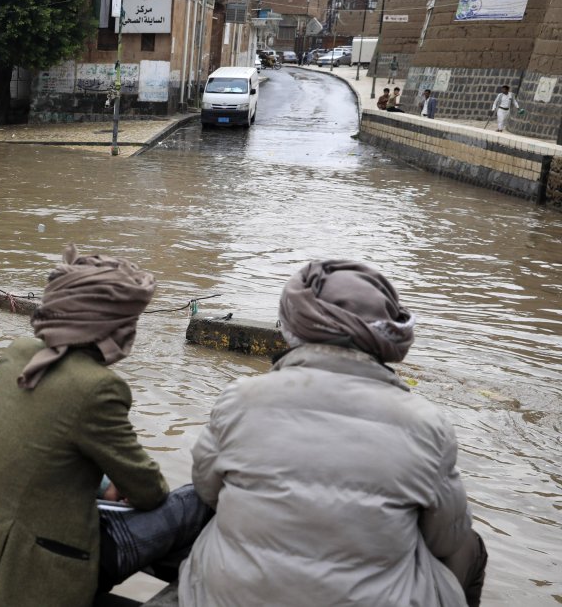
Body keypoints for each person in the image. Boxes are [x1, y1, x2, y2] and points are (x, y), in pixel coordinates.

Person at [0, 245, 211, 607]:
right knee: (197, 498)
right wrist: (115, 484)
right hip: (27, 565)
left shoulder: (19, 350)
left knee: (86, 476)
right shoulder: (99, 387)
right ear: (115, 326)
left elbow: (43, 453)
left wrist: (106, 483)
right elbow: (149, 491)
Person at [180, 260, 488, 607]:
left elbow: (206, 489)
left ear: (294, 327)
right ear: (388, 338)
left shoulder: (240, 397)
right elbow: (447, 538)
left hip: (225, 597)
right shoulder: (428, 424)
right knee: (470, 547)